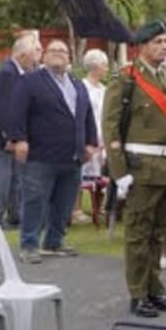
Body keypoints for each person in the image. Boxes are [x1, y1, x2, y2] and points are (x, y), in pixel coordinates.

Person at [103, 20, 166, 318]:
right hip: (140, 167)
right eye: (157, 42)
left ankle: (155, 288)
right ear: (142, 46)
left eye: (165, 42)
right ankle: (138, 294)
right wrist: (120, 172)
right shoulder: (125, 78)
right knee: (138, 235)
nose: (163, 47)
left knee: (157, 233)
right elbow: (110, 126)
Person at [6, 40, 98, 262]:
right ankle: (29, 245)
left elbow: (87, 116)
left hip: (72, 155)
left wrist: (90, 142)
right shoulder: (29, 82)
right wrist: (19, 139)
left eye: (63, 51)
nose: (58, 54)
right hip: (41, 154)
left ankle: (54, 242)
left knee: (64, 202)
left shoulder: (78, 85)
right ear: (44, 56)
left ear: (69, 58)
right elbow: (16, 112)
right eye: (53, 51)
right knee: (34, 200)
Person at [0, 33, 41, 226]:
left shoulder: (17, 72)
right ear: (22, 55)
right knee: (4, 176)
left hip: (10, 134)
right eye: (33, 54)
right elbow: (0, 106)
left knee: (15, 176)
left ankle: (15, 214)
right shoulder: (8, 73)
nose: (35, 59)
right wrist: (8, 137)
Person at [75, 48, 109, 223]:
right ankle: (76, 209)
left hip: (102, 136)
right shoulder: (82, 87)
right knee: (81, 171)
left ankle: (100, 207)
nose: (106, 69)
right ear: (95, 66)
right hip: (88, 134)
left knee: (101, 172)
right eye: (104, 65)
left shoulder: (104, 89)